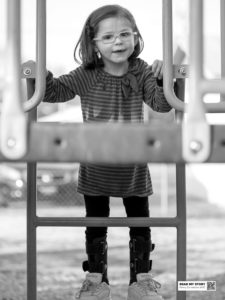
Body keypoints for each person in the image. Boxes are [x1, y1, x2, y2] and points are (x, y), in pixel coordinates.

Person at [42, 4, 172, 300]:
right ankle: (97, 282)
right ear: (94, 44)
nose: (118, 41)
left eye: (125, 34)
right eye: (109, 36)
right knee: (95, 224)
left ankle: (140, 281)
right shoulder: (88, 74)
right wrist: (41, 75)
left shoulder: (140, 70)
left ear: (136, 37)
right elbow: (56, 92)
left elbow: (161, 104)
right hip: (96, 164)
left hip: (133, 165)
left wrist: (165, 80)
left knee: (140, 223)